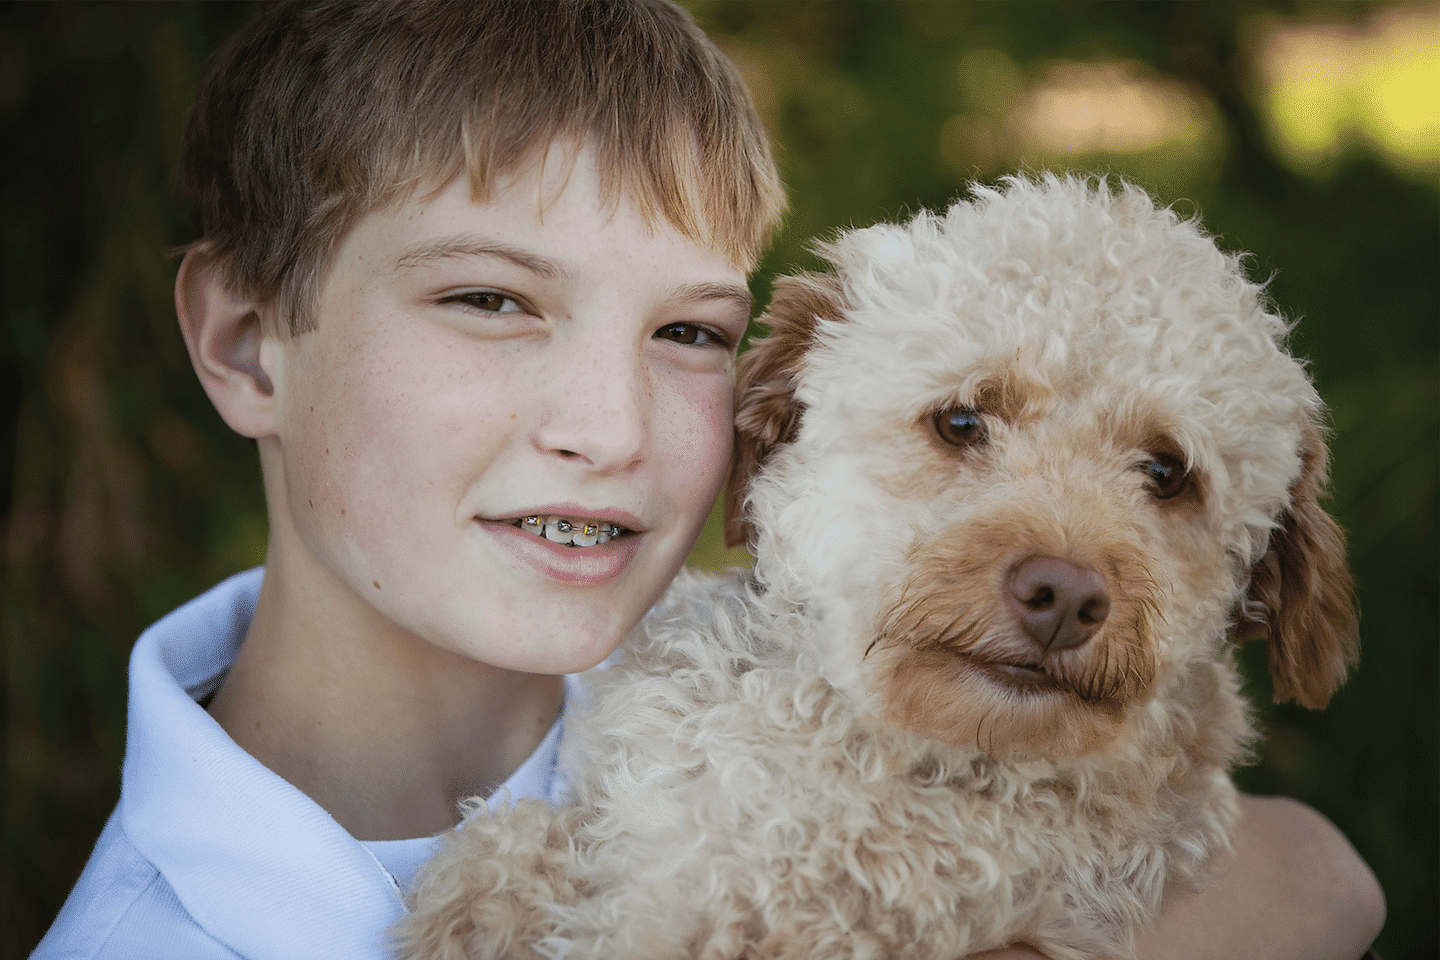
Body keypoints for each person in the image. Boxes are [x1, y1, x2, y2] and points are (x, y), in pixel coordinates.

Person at [33, 1, 1383, 958]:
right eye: (492, 300)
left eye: (688, 333)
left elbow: (1312, 869)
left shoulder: (771, 679)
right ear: (247, 343)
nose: (611, 429)